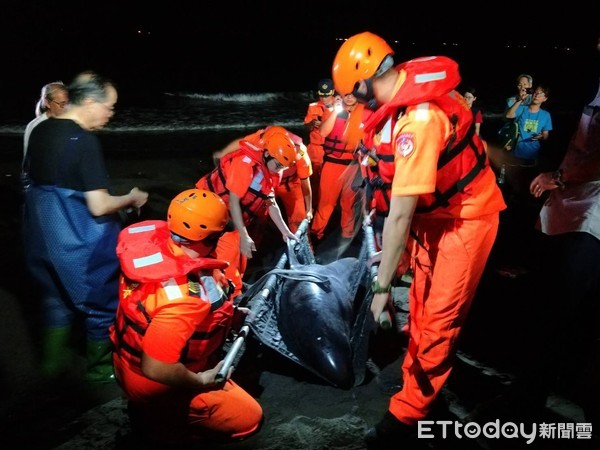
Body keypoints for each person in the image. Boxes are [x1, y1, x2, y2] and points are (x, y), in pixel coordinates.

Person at [331, 31, 506, 447]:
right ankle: (416, 382)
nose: (354, 103)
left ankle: (412, 412)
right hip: (434, 218)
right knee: (422, 308)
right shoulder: (400, 96)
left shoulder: (419, 119)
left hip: (466, 220)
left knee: (440, 318)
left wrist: (381, 286)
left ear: (365, 80)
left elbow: (401, 212)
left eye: (352, 94)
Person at [22, 70, 149, 383]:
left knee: (55, 300)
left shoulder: (40, 129)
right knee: (102, 305)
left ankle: (51, 367)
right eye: (109, 107)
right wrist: (131, 198)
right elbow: (99, 205)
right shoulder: (85, 141)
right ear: (90, 102)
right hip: (76, 239)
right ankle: (100, 370)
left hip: (39, 234)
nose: (111, 114)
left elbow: (33, 181)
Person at [110, 188, 263, 445]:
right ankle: (164, 427)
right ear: (209, 237)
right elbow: (156, 367)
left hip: (130, 360)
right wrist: (199, 380)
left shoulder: (161, 247)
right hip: (152, 380)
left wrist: (230, 316)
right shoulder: (181, 301)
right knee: (249, 419)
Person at [196, 127, 298, 298]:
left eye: (283, 167)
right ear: (266, 154)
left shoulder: (269, 169)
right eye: (278, 165)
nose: (279, 170)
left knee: (241, 260)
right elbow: (233, 202)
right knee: (228, 260)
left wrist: (285, 231)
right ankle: (231, 300)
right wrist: (244, 236)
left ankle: (234, 291)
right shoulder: (244, 165)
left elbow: (269, 200)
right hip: (216, 213)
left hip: (235, 219)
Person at [213, 126, 313, 234]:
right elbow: (242, 142)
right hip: (267, 177)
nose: (281, 168)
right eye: (279, 164)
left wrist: (309, 208)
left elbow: (305, 180)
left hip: (290, 183)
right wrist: (223, 153)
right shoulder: (261, 141)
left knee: (297, 217)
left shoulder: (300, 154)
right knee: (260, 213)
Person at [310, 91, 367, 249]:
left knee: (348, 203)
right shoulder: (333, 111)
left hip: (353, 165)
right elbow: (323, 132)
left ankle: (346, 237)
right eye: (345, 94)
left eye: (352, 94)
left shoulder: (364, 113)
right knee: (325, 204)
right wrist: (335, 111)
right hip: (332, 164)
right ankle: (315, 236)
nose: (349, 97)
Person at [503, 85, 553, 201]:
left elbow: (546, 135)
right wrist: (519, 100)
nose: (537, 95)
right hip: (515, 152)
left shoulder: (545, 115)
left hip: (532, 154)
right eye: (536, 93)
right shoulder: (522, 108)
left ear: (545, 99)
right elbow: (508, 115)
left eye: (541, 94)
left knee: (527, 183)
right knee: (512, 183)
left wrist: (541, 136)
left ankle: (523, 203)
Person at [21, 81, 69, 190]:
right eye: (62, 104)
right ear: (47, 103)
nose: (66, 108)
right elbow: (28, 161)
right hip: (41, 184)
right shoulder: (35, 126)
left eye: (67, 103)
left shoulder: (68, 123)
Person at [304, 78, 336, 209]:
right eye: (322, 95)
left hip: (331, 150)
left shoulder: (340, 106)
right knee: (313, 180)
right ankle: (314, 206)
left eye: (327, 95)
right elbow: (306, 127)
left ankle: (328, 205)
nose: (324, 98)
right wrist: (311, 124)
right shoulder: (313, 107)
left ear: (333, 92)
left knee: (329, 182)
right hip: (315, 150)